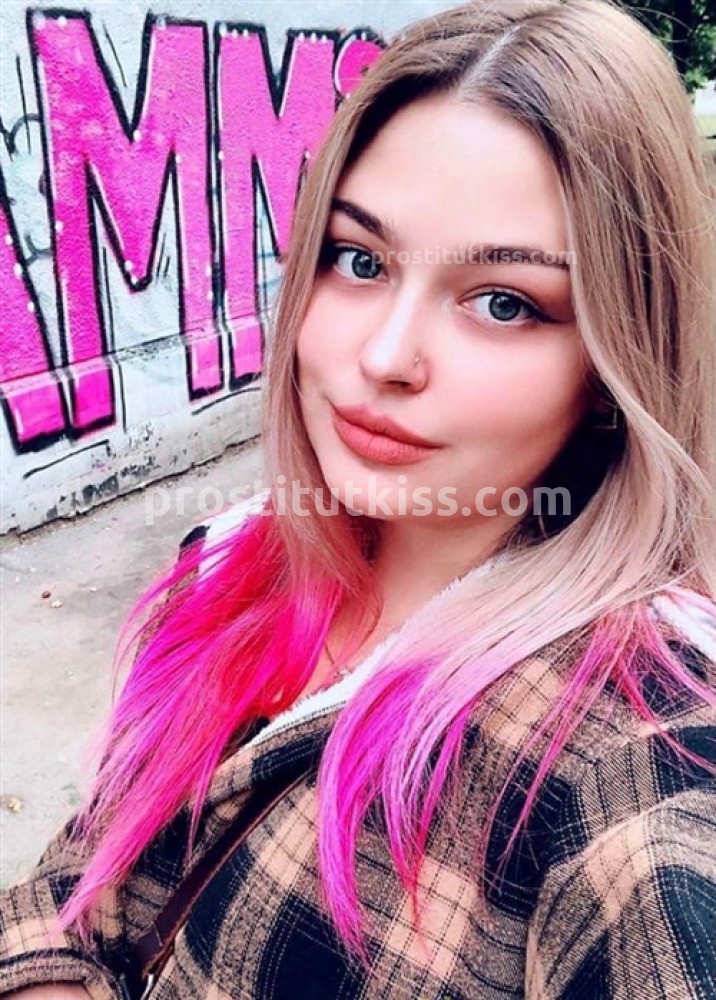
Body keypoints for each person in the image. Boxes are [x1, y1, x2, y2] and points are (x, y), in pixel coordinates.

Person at [3, 0, 716, 996]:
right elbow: (83, 878)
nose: (383, 356)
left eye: (504, 302)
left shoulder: (627, 761)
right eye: (359, 259)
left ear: (613, 361)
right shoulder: (229, 559)